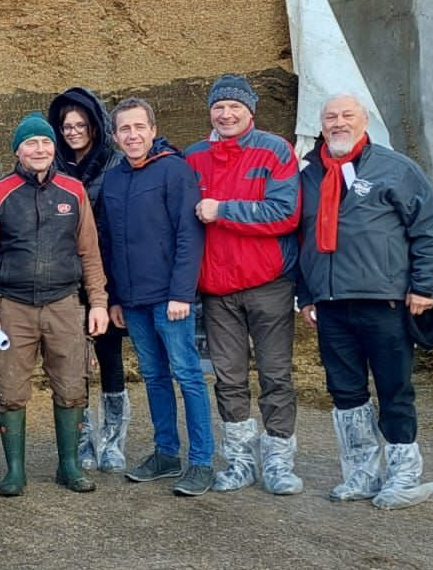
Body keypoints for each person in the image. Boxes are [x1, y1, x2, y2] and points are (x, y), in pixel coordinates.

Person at [296, 92, 433, 509]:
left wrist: (426, 286)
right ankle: (361, 474)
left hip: (385, 302)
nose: (338, 123)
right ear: (321, 125)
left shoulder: (395, 170)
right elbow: (301, 238)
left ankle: (404, 474)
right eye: (330, 117)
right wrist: (307, 294)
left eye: (347, 115)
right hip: (331, 305)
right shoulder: (309, 174)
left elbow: (429, 229)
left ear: (364, 121)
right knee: (345, 391)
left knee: (394, 388)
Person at [0, 114, 111, 496]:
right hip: (12, 307)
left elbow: (90, 252)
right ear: (17, 149)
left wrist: (97, 302)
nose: (39, 149)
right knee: (10, 387)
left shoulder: (73, 192)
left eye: (46, 143)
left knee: (71, 385)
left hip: (64, 304)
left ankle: (68, 466)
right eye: (31, 143)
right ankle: (15, 470)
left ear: (55, 148)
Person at [184, 75, 306, 497]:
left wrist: (222, 210)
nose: (226, 114)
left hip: (268, 284)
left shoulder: (275, 151)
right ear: (210, 112)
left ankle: (278, 460)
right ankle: (239, 460)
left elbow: (285, 213)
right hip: (217, 290)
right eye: (219, 107)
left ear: (250, 111)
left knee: (275, 375)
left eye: (235, 106)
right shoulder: (195, 156)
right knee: (229, 378)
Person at [95, 97, 215, 496]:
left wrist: (182, 292)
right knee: (154, 376)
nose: (132, 135)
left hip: (170, 299)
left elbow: (189, 234)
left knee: (187, 375)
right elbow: (108, 242)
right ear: (115, 136)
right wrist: (113, 298)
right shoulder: (113, 180)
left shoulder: (174, 171)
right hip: (133, 300)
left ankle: (201, 460)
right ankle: (166, 452)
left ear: (152, 129)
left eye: (138, 127)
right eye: (124, 129)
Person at [48, 86, 130, 473]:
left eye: (81, 124)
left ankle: (113, 441)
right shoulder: (54, 166)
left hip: (105, 275)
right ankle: (81, 439)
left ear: (95, 126)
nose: (73, 132)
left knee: (110, 357)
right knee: (71, 364)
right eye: (66, 126)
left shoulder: (114, 164)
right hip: (65, 278)